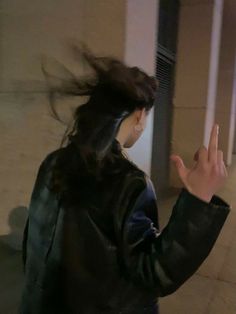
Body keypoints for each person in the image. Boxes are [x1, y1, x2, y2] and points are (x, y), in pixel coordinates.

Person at [19, 46, 231, 314]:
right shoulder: (128, 182)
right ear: (140, 114)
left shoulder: (54, 161)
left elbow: (33, 244)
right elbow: (155, 274)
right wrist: (199, 200)